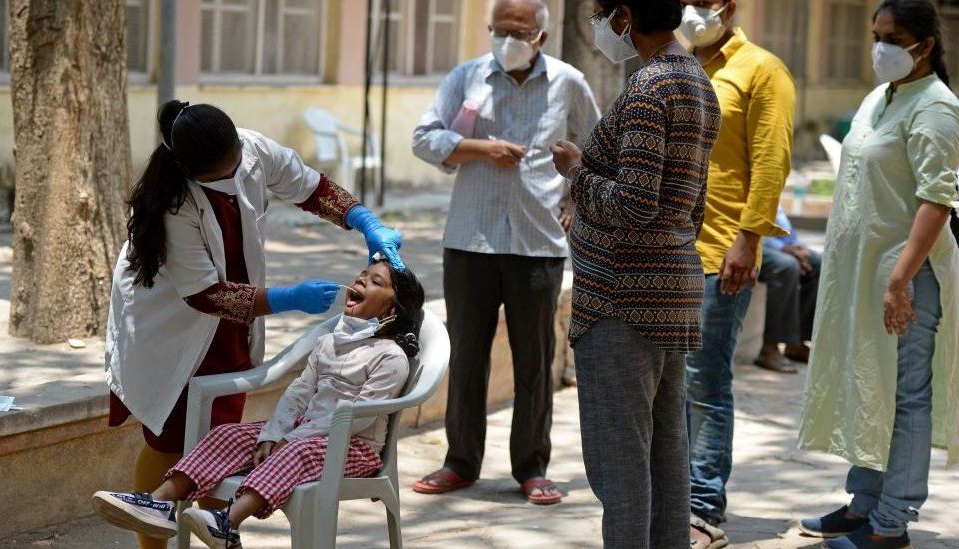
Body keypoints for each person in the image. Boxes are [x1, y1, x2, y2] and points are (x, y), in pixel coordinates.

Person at [105, 100, 404, 548]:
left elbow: (310, 187)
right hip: (171, 322)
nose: (233, 172)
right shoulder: (174, 204)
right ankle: (164, 529)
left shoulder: (251, 149)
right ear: (188, 169)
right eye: (219, 173)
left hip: (232, 321)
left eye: (235, 162)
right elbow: (204, 294)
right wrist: (287, 298)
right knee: (169, 435)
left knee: (218, 432)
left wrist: (363, 220)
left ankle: (219, 528)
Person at [410, 0, 600, 505]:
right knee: (466, 354)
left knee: (534, 359)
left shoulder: (568, 83)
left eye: (519, 31)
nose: (508, 39)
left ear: (541, 35)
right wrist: (481, 149)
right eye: (500, 30)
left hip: (537, 243)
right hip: (470, 239)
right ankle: (460, 461)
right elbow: (425, 139)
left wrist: (576, 200)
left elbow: (600, 147)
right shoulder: (467, 76)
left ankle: (532, 467)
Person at [93, 260, 424, 548]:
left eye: (376, 282)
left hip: (353, 446)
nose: (361, 280)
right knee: (227, 435)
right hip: (304, 434)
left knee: (296, 452)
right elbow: (298, 393)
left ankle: (227, 523)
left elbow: (357, 419)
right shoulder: (329, 342)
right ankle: (159, 502)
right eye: (362, 275)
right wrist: (272, 432)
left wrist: (290, 440)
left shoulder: (390, 358)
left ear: (390, 311)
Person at [549, 0, 720, 544]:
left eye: (600, 13)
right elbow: (693, 204)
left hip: (621, 300)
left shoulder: (649, 90)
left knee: (621, 466)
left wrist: (576, 172)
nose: (598, 24)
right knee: (665, 460)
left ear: (624, 14)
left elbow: (633, 204)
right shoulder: (695, 78)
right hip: (670, 289)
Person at [798, 2, 959, 547]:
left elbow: (937, 201)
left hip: (908, 280)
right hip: (866, 277)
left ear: (926, 45)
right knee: (869, 385)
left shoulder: (936, 108)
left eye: (893, 37)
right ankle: (864, 503)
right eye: (876, 35)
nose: (880, 47)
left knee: (906, 396)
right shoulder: (878, 99)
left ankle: (892, 523)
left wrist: (899, 280)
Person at [678, 1, 796, 546]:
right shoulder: (680, 65)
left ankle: (703, 509)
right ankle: (674, 498)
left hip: (721, 250)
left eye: (702, 0)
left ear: (728, 7)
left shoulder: (762, 69)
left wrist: (749, 239)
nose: (690, 11)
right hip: (668, 248)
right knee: (671, 384)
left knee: (706, 381)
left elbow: (772, 161)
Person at [753, 206, 821, 374]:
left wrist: (796, 247)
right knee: (786, 266)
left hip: (777, 245)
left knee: (817, 263)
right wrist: (784, 249)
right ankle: (769, 348)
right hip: (751, 242)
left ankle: (796, 343)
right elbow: (750, 225)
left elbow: (782, 222)